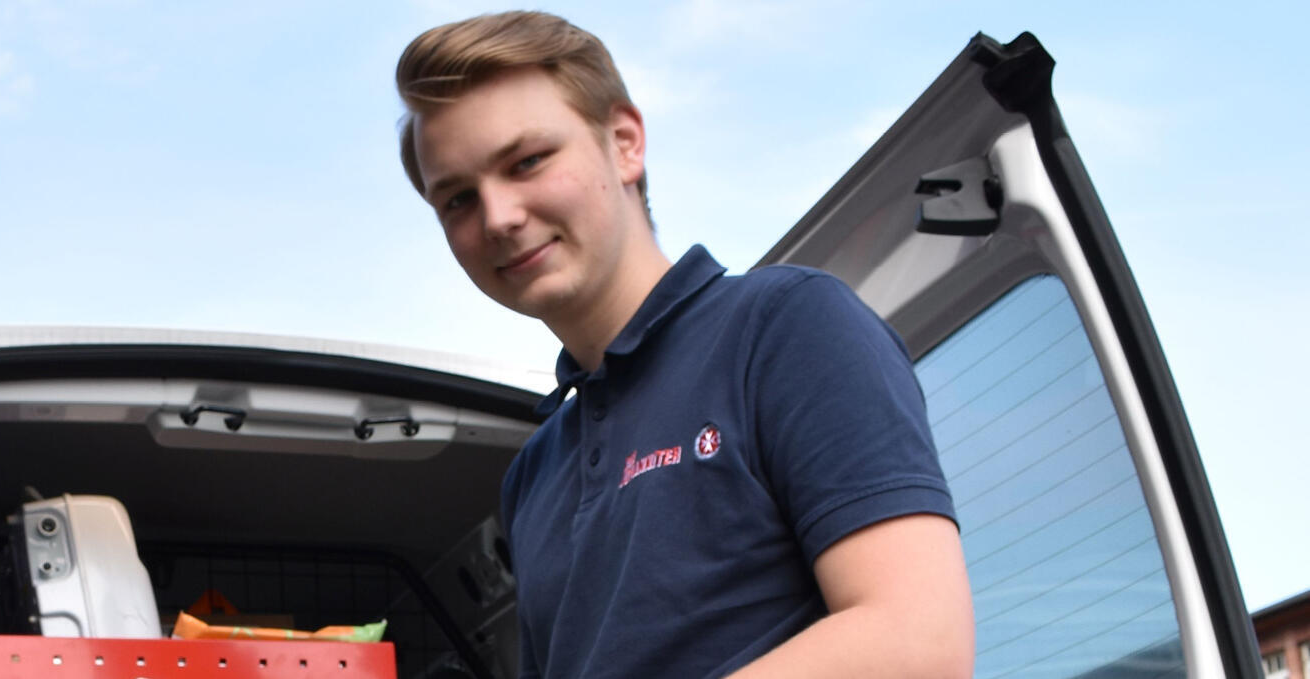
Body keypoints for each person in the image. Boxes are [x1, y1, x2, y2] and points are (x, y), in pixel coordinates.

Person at [394, 11, 974, 678]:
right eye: (457, 200)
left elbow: (917, 641)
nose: (498, 217)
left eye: (526, 161)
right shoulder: (533, 472)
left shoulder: (783, 326)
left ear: (623, 143)